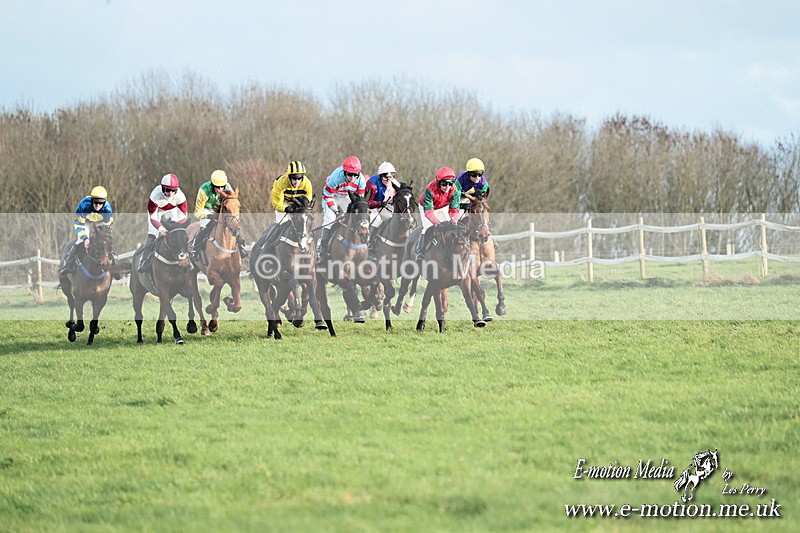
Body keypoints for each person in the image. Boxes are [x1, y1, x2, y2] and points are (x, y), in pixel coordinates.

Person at [318, 155, 367, 262]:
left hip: (346, 197)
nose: (352, 177)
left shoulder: (361, 181)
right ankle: (322, 247)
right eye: (349, 174)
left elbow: (359, 200)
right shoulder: (336, 177)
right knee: (330, 219)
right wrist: (336, 212)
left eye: (355, 175)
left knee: (350, 218)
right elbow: (327, 195)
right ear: (345, 172)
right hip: (332, 196)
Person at [137, 173, 188, 272]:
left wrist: (176, 227)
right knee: (152, 234)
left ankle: (186, 259)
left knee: (178, 234)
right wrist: (161, 229)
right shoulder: (155, 195)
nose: (170, 193)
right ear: (162, 188)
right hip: (156, 213)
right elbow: (153, 218)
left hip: (171, 211)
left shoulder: (181, 196)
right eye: (168, 190)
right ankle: (144, 260)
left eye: (173, 190)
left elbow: (183, 215)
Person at [191, 169, 248, 258]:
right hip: (206, 210)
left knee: (232, 225)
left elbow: (232, 203)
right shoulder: (204, 190)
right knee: (204, 227)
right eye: (217, 187)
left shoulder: (228, 188)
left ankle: (240, 247)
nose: (220, 189)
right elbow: (197, 213)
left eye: (222, 187)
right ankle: (195, 249)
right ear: (212, 184)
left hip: (221, 209)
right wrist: (208, 216)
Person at [59, 186, 114, 275]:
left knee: (105, 241)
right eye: (95, 202)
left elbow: (107, 227)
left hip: (100, 223)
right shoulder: (84, 205)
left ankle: (113, 266)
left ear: (105, 202)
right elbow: (79, 224)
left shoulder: (107, 209)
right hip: (86, 222)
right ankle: (68, 265)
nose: (97, 205)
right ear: (91, 200)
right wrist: (85, 238)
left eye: (101, 203)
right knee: (80, 241)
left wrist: (104, 235)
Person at [414, 167, 461, 260]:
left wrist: (454, 220)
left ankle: (451, 251)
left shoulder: (454, 190)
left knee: (450, 227)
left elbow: (454, 209)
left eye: (450, 183)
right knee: (428, 228)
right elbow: (428, 212)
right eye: (444, 183)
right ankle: (420, 252)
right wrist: (437, 223)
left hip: (443, 207)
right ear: (438, 182)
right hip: (426, 207)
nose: (447, 187)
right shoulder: (430, 190)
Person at [366, 161, 400, 229]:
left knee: (393, 219)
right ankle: (371, 238)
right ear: (380, 177)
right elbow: (368, 203)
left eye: (390, 177)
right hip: (371, 207)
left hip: (384, 205)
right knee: (376, 221)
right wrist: (380, 203)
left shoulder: (395, 184)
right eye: (386, 178)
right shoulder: (372, 185)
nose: (388, 180)